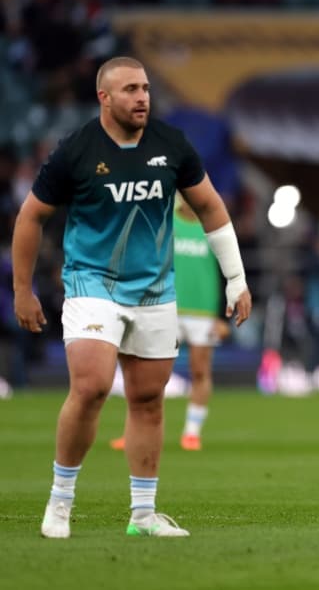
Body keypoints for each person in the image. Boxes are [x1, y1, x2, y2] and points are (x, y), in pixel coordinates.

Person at [12, 57, 252, 539]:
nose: (142, 96)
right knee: (93, 385)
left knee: (148, 399)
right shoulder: (76, 150)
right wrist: (23, 288)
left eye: (145, 88)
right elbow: (30, 216)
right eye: (129, 90)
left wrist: (236, 279)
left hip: (155, 289)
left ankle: (143, 515)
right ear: (104, 97)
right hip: (91, 282)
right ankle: (60, 503)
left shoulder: (171, 144)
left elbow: (209, 206)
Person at [110, 193, 230, 452]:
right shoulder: (165, 222)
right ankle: (134, 432)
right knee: (150, 373)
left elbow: (225, 273)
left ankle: (191, 432)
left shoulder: (213, 227)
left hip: (203, 313)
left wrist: (221, 316)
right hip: (167, 307)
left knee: (200, 371)